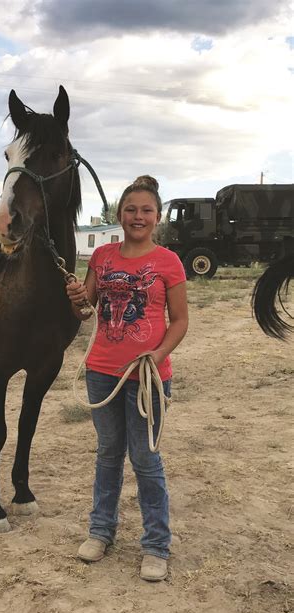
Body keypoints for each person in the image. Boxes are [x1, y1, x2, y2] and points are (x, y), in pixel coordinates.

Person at [66, 175, 188, 582]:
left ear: (156, 216)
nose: (138, 216)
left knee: (145, 459)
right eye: (131, 209)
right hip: (101, 371)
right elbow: (88, 309)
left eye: (146, 210)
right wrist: (77, 301)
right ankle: (101, 531)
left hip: (148, 376)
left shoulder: (169, 262)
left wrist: (157, 354)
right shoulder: (101, 257)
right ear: (119, 214)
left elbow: (180, 321)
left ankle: (156, 545)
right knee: (107, 453)